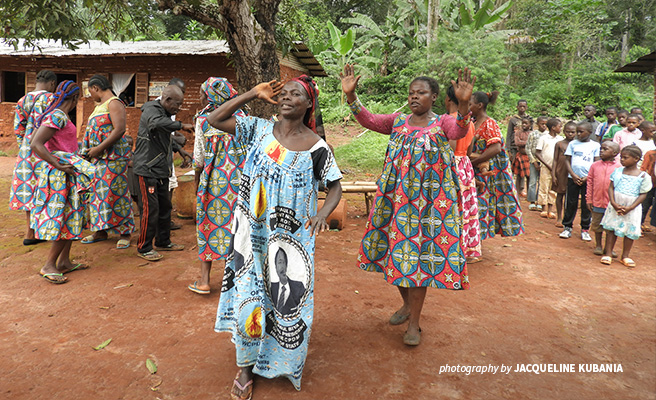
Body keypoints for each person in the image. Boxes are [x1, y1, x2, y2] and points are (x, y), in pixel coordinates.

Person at [208, 75, 342, 397]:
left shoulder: (316, 148)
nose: (286, 98)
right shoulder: (258, 129)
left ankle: (279, 359)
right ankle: (245, 368)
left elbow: (335, 185)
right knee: (249, 300)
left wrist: (323, 214)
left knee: (284, 302)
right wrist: (252, 93)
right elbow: (215, 119)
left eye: (296, 95)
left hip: (290, 241)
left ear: (309, 104)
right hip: (251, 235)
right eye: (284, 93)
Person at [342, 63, 475, 347]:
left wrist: (463, 105)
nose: (415, 97)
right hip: (397, 203)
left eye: (422, 93)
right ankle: (405, 306)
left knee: (420, 261)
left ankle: (414, 323)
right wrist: (351, 97)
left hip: (430, 208)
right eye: (412, 93)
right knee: (399, 257)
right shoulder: (398, 121)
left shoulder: (442, 123)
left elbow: (460, 130)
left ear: (434, 97)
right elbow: (367, 119)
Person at [29, 81, 95, 284]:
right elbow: (36, 143)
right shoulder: (57, 115)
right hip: (60, 177)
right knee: (65, 217)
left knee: (73, 215)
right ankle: (49, 264)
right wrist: (57, 164)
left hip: (67, 172)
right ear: (75, 99)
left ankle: (64, 261)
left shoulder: (59, 115)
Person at [188, 77, 247, 295]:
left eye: (203, 93)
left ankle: (204, 281)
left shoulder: (204, 120)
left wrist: (196, 185)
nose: (201, 97)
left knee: (209, 226)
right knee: (239, 229)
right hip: (240, 184)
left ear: (211, 95)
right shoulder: (242, 117)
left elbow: (199, 158)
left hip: (214, 184)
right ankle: (238, 281)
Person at [133, 85, 193, 261]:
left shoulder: (164, 113)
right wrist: (182, 125)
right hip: (147, 169)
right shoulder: (152, 110)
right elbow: (156, 124)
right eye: (177, 104)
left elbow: (164, 137)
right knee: (150, 210)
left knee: (165, 207)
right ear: (167, 100)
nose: (179, 108)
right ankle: (144, 247)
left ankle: (163, 241)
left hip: (160, 169)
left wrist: (180, 150)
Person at [79, 75, 135, 249]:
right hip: (99, 159)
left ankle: (125, 232)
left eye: (90, 92)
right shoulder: (100, 106)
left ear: (96, 88)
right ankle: (101, 230)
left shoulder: (114, 103)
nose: (91, 96)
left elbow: (119, 130)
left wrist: (98, 148)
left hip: (113, 159)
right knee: (98, 195)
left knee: (116, 194)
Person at [9, 69, 57, 246]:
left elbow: (18, 128)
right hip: (45, 150)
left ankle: (29, 231)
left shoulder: (23, 100)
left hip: (26, 152)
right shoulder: (52, 100)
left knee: (28, 188)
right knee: (45, 188)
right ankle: (43, 229)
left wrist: (25, 146)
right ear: (52, 83)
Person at [470, 91, 524, 242]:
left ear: (480, 105)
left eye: (470, 104)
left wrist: (473, 163)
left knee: (481, 204)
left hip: (486, 173)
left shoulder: (489, 123)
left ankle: (476, 245)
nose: (467, 107)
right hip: (476, 169)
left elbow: (495, 148)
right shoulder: (473, 122)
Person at [445, 83, 481, 263]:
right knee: (466, 207)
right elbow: (468, 151)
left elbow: (450, 149)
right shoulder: (470, 123)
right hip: (466, 166)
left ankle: (452, 247)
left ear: (447, 99)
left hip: (453, 166)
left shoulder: (449, 121)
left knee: (452, 207)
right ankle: (468, 248)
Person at [600, 145, 652, 267]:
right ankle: (608, 253)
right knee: (611, 229)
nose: (622, 160)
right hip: (615, 204)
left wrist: (630, 207)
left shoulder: (644, 176)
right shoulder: (618, 171)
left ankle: (625, 256)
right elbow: (611, 187)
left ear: (636, 159)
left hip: (632, 208)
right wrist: (613, 202)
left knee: (630, 230)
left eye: (625, 157)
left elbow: (643, 194)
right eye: (621, 157)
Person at [559, 122, 600, 240]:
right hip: (573, 178)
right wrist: (572, 174)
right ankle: (567, 227)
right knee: (571, 202)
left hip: (588, 179)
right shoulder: (573, 144)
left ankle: (585, 229)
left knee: (586, 204)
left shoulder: (595, 146)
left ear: (589, 133)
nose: (578, 134)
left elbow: (596, 162)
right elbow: (567, 160)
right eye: (577, 131)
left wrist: (588, 177)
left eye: (581, 132)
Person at [586, 141, 621, 256]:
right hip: (597, 201)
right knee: (597, 225)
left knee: (611, 226)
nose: (601, 151)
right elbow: (590, 182)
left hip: (611, 203)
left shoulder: (619, 168)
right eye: (601, 148)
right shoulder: (595, 165)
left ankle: (609, 248)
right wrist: (589, 199)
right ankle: (598, 245)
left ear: (614, 153)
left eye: (605, 149)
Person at [535, 118, 563, 219]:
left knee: (553, 187)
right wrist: (547, 164)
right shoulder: (543, 138)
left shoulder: (560, 139)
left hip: (556, 168)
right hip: (546, 167)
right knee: (544, 186)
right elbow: (537, 152)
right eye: (559, 126)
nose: (561, 128)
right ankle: (543, 209)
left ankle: (550, 209)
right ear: (553, 128)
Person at [551, 121, 577, 227]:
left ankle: (568, 218)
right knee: (560, 194)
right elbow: (555, 160)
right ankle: (559, 217)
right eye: (567, 132)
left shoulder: (577, 145)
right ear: (564, 131)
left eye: (572, 132)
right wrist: (553, 174)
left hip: (573, 172)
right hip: (561, 172)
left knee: (570, 197)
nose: (570, 134)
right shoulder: (559, 144)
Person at [269, 248, 306, 315]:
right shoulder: (270, 287)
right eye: (280, 262)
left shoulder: (299, 287)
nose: (282, 266)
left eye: (284, 262)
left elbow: (306, 311)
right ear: (275, 267)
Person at [526, 116, 549, 211]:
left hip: (544, 162)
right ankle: (532, 201)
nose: (543, 126)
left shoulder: (548, 135)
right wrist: (533, 161)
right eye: (541, 124)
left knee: (542, 181)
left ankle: (540, 201)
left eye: (545, 124)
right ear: (537, 124)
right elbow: (528, 148)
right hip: (534, 161)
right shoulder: (533, 134)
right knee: (532, 181)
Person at [638, 122, 656, 232]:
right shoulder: (650, 154)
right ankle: (639, 224)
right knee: (645, 204)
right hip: (649, 183)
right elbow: (644, 168)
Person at [511, 116, 532, 197]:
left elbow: (532, 144)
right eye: (523, 123)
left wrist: (523, 142)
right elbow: (517, 142)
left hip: (529, 157)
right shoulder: (518, 133)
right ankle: (517, 192)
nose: (524, 125)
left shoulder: (531, 133)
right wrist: (527, 142)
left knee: (529, 176)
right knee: (519, 175)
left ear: (530, 125)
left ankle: (529, 195)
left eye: (526, 123)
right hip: (520, 156)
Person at [506, 99, 530, 163]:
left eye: (524, 106)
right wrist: (508, 149)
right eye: (520, 106)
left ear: (526, 107)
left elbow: (531, 132)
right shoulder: (513, 120)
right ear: (517, 107)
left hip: (525, 146)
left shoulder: (529, 119)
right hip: (514, 146)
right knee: (514, 164)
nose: (522, 108)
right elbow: (509, 134)